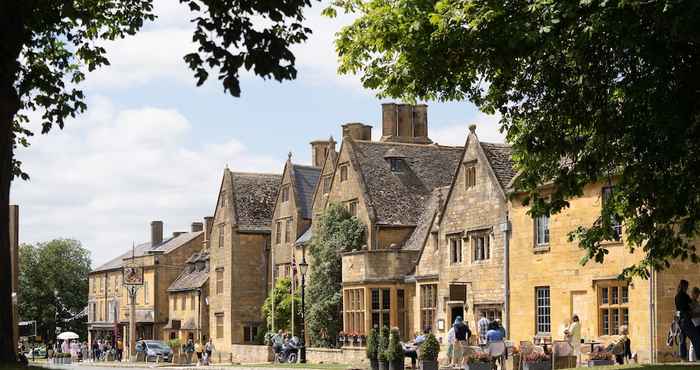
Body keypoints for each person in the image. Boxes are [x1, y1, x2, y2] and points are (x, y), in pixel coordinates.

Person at [676, 279, 700, 361]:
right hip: (686, 319)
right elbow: (690, 306)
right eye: (687, 286)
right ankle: (698, 356)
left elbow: (678, 310)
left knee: (682, 339)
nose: (687, 288)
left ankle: (683, 357)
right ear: (684, 286)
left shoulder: (677, 296)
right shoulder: (684, 296)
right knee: (696, 337)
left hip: (680, 319)